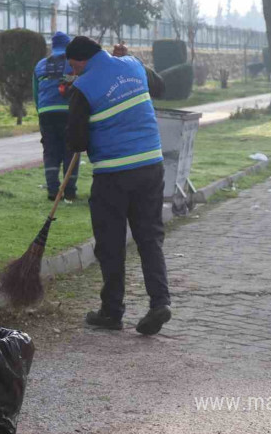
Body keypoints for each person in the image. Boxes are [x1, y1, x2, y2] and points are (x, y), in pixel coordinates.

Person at [63, 36, 172, 336]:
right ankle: (160, 302)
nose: (73, 73)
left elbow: (77, 142)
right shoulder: (133, 64)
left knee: (111, 244)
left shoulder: (83, 88)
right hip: (151, 165)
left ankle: (112, 312)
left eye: (73, 67)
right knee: (149, 238)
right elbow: (160, 87)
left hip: (113, 175)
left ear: (81, 61)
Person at [33, 31, 80, 201]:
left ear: (53, 46)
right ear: (68, 46)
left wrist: (42, 112)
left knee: (51, 151)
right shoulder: (73, 64)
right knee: (71, 149)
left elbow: (36, 93)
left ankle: (53, 190)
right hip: (68, 113)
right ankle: (69, 190)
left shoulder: (40, 65)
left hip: (46, 113)